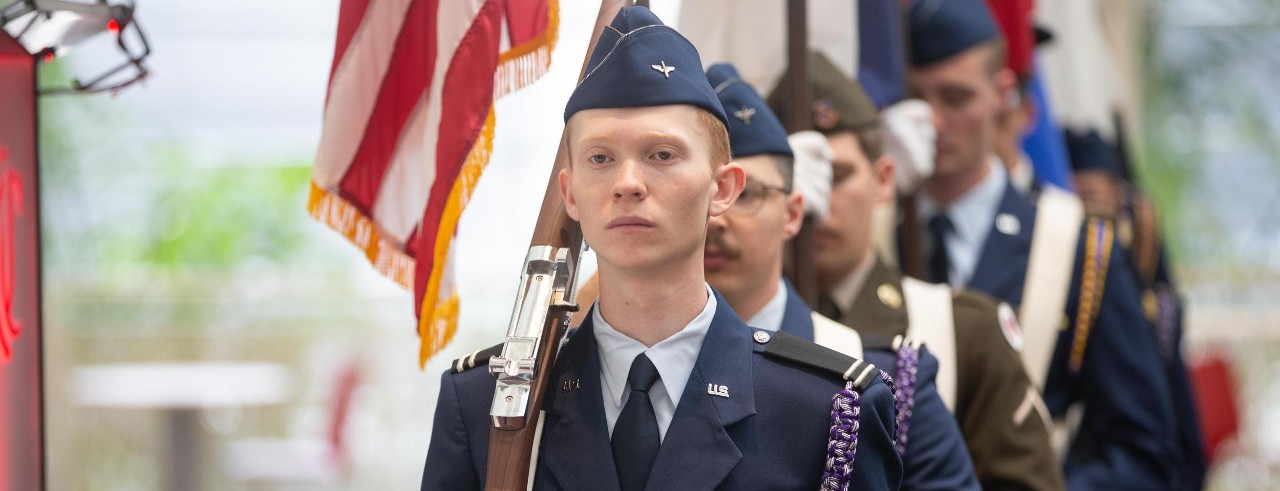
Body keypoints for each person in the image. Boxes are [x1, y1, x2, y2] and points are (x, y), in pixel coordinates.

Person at [421, 7, 902, 490]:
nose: (627, 183)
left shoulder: (823, 410)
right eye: (600, 158)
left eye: (662, 155)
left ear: (723, 188)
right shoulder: (485, 401)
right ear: (570, 194)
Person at [903, 0, 1178, 488]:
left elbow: (1140, 445)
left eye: (956, 98)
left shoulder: (1075, 244)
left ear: (1003, 94)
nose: (936, 123)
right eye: (916, 99)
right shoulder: (870, 234)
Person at [770, 51, 1064, 491]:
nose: (817, 203)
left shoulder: (961, 330)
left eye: (839, 175)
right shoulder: (738, 327)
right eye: (796, 180)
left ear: (884, 180)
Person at [703, 62, 979, 491]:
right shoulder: (641, 370)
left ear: (793, 212)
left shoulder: (884, 380)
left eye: (747, 194)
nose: (716, 218)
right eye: (703, 195)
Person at [1064, 128, 1206, 490]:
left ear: (1117, 199)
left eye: (1092, 198)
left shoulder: (1154, 312)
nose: (1082, 214)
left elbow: (1178, 433)